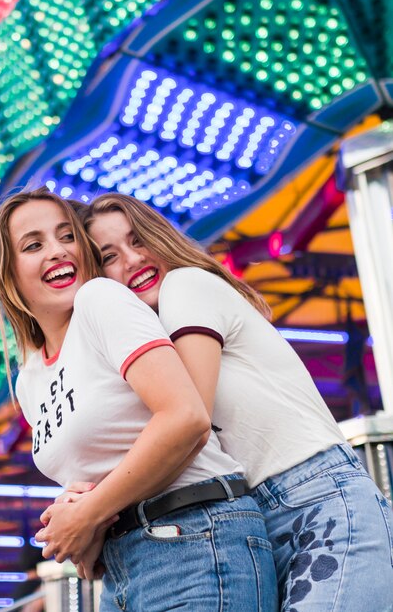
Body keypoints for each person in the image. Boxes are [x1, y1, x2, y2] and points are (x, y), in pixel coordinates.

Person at [79, 192, 393, 611]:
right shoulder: (148, 348)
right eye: (108, 257)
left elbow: (190, 424)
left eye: (139, 240)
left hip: (315, 497)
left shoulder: (184, 284)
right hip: (255, 519)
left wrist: (91, 515)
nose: (132, 260)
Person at [0, 187, 278, 611]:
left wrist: (86, 515)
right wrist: (74, 508)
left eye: (67, 237)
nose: (57, 251)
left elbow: (185, 417)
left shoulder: (100, 300)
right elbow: (95, 474)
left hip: (194, 535)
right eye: (34, 245)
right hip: (125, 565)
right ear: (8, 276)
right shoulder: (30, 378)